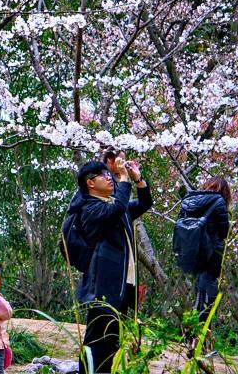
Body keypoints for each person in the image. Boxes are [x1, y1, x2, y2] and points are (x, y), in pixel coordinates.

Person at [67, 152, 151, 374]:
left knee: (112, 341)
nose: (109, 177)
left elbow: (144, 203)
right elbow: (114, 210)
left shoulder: (117, 206)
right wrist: (123, 179)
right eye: (103, 174)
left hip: (123, 284)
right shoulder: (89, 208)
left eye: (109, 174)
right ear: (90, 183)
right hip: (104, 285)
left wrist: (137, 179)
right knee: (96, 340)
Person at [178, 177, 231, 325]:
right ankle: (196, 330)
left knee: (199, 291)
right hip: (211, 254)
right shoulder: (219, 201)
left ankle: (193, 332)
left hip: (192, 253)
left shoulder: (190, 201)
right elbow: (224, 231)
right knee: (209, 295)